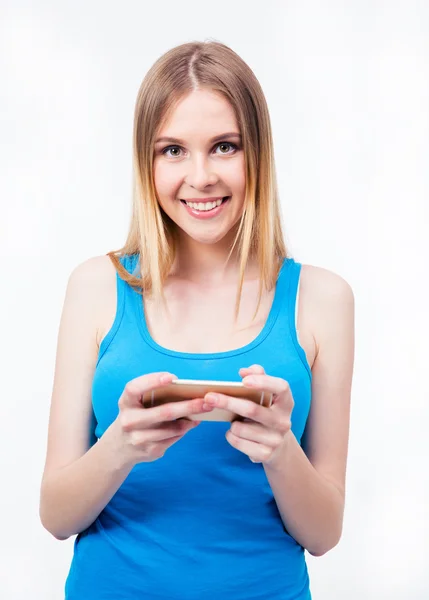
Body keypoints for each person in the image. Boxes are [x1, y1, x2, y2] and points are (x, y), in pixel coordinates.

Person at [39, 40, 355, 600]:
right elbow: (56, 516)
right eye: (173, 151)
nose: (201, 176)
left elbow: (324, 533)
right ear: (147, 161)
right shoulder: (95, 286)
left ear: (256, 152)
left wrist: (281, 450)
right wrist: (121, 445)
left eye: (224, 146)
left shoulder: (323, 299)